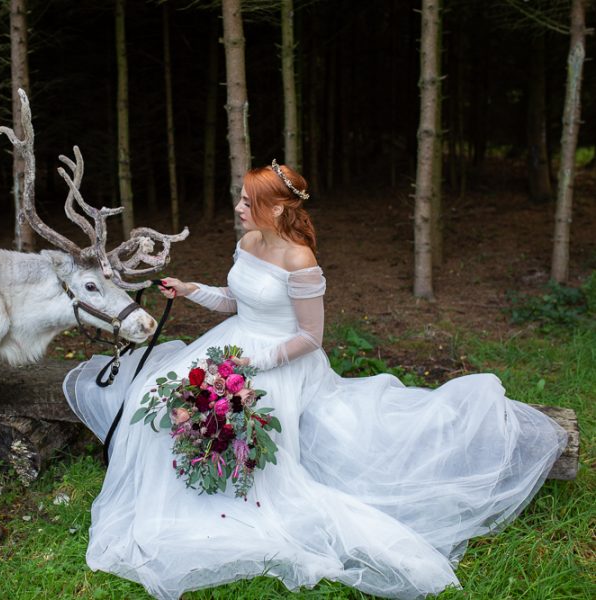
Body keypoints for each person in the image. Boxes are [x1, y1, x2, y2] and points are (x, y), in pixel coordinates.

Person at [62, 161, 567, 600]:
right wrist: (192, 289)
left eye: (246, 200)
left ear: (277, 208)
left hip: (281, 360)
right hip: (234, 341)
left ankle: (220, 497)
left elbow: (310, 336)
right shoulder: (248, 241)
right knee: (161, 394)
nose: (238, 207)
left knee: (244, 427)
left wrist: (250, 368)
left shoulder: (301, 260)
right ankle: (177, 492)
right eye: (239, 198)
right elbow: (235, 302)